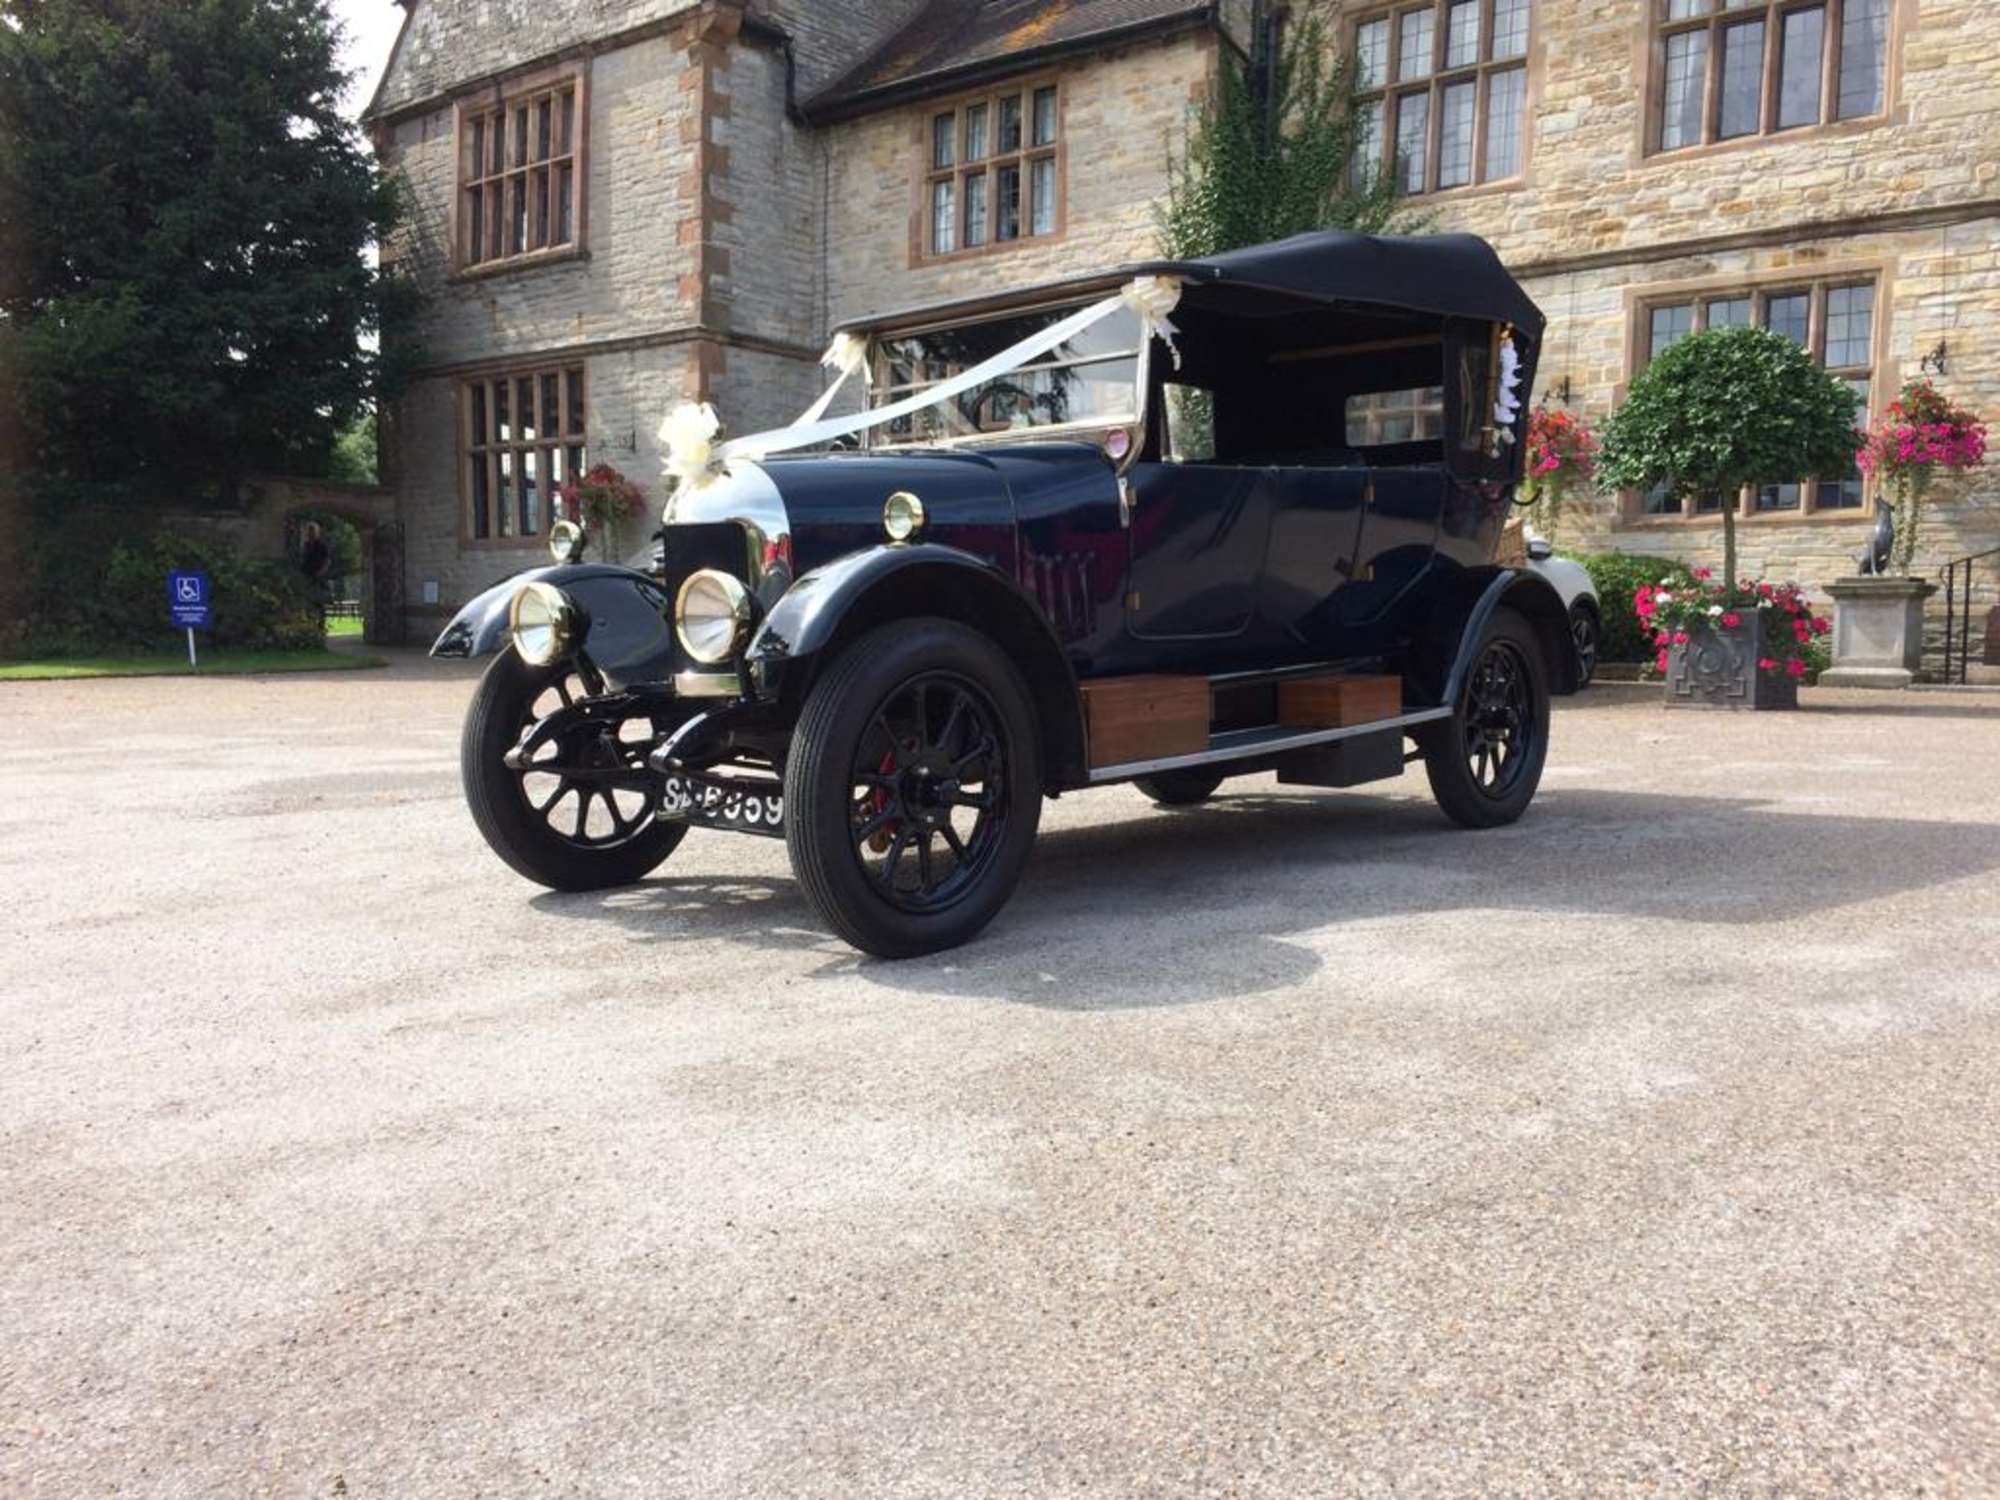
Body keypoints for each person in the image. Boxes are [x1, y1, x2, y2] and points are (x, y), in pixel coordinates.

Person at [299, 521, 333, 628]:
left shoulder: (322, 545)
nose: (310, 534)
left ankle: (321, 624)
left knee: (319, 602)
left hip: (318, 576)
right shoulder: (306, 545)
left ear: (317, 532)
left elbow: (327, 561)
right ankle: (310, 624)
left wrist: (321, 572)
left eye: (312, 531)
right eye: (309, 531)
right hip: (307, 576)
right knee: (308, 601)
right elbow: (303, 559)